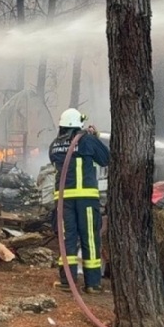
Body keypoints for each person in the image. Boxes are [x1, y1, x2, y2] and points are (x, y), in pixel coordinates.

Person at [48, 108, 110, 294]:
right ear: (79, 124)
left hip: (63, 200)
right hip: (86, 198)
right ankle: (93, 283)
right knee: (89, 237)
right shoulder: (87, 140)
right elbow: (105, 159)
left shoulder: (54, 145)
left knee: (67, 238)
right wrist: (95, 137)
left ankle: (67, 281)